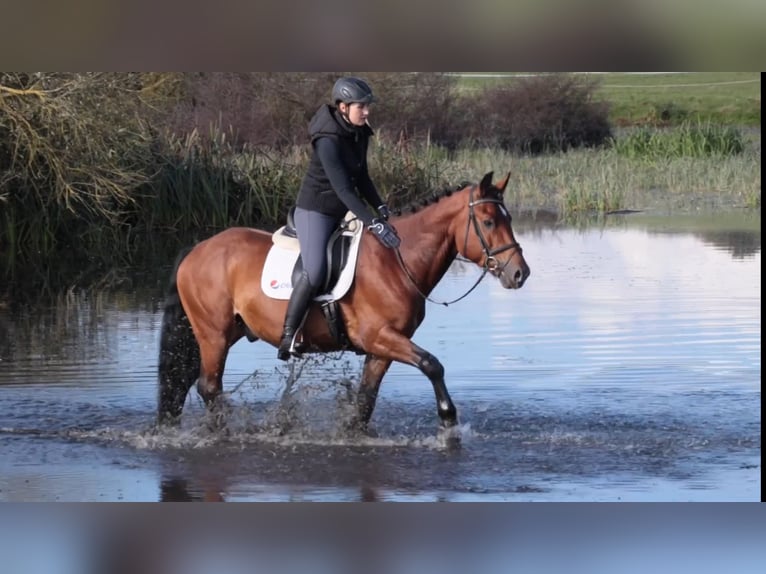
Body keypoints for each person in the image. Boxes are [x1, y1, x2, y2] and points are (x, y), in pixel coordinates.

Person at [277, 76, 401, 361]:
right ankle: (288, 335)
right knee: (316, 271)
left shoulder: (358, 132)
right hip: (315, 211)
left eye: (368, 106)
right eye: (362, 107)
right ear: (343, 107)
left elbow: (362, 178)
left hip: (342, 211)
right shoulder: (328, 139)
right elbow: (344, 189)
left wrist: (381, 209)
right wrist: (372, 222)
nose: (367, 112)